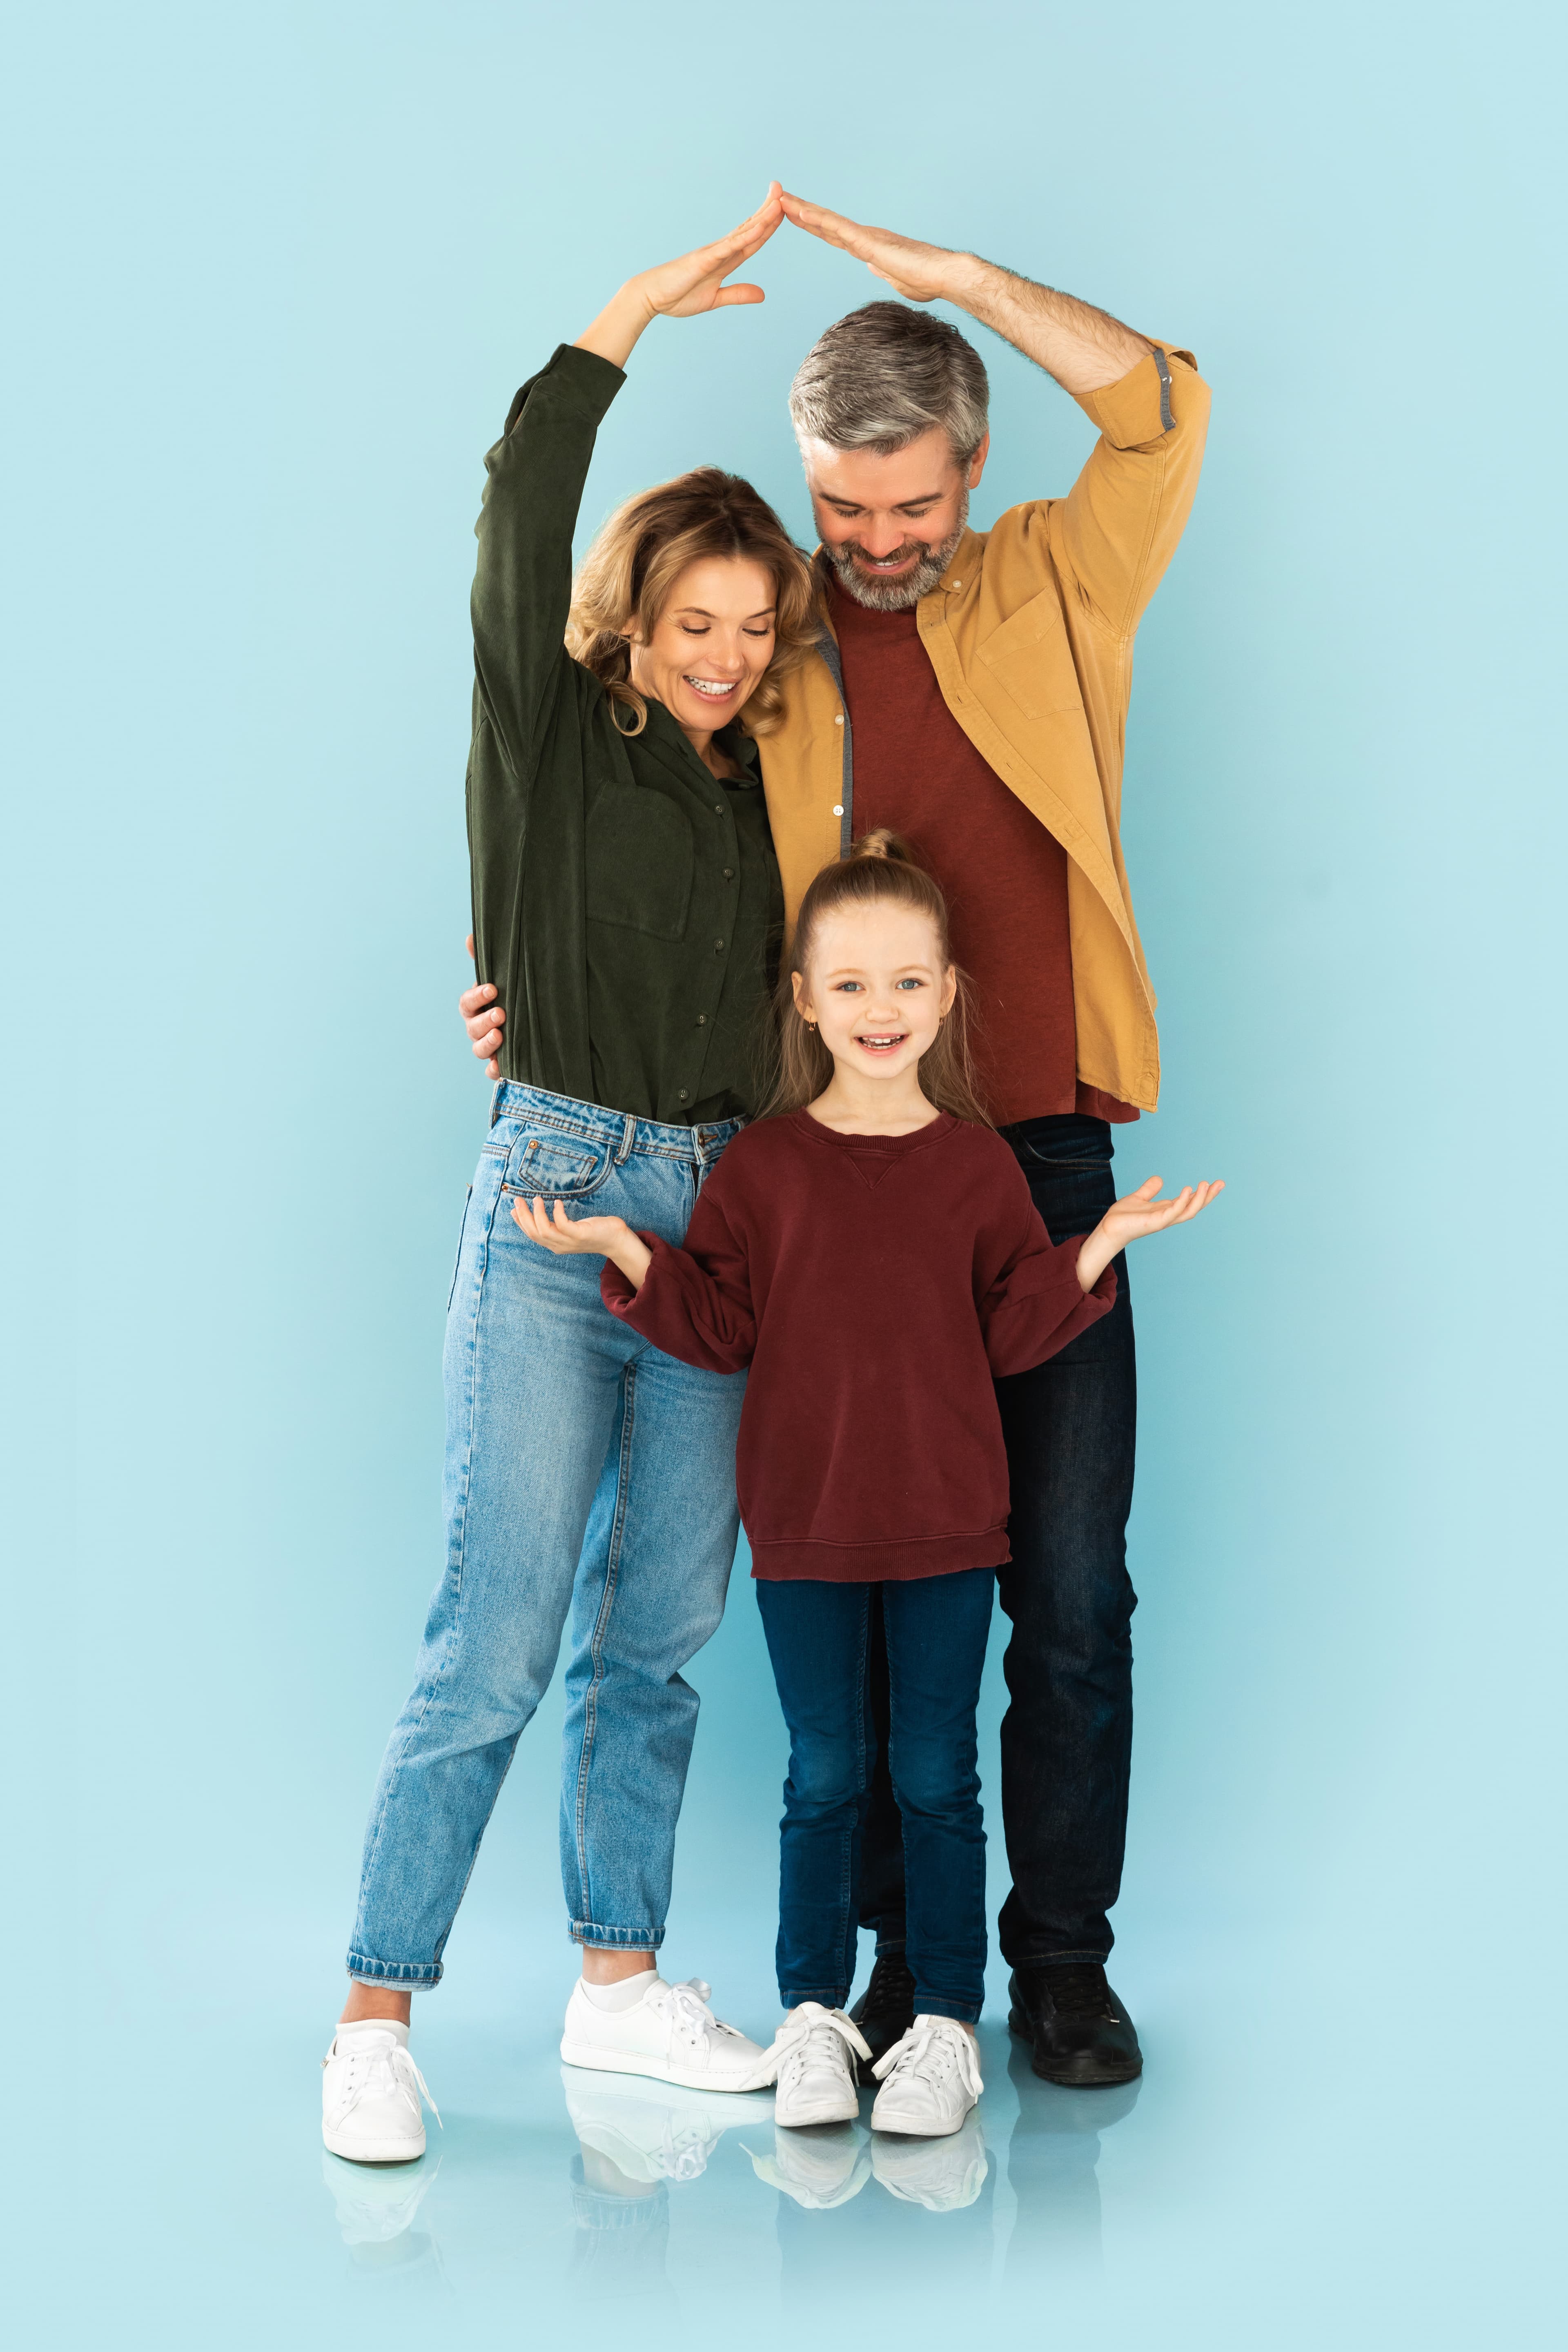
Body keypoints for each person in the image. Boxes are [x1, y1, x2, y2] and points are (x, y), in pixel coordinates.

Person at [461, 189, 1212, 2090]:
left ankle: (1058, 1966)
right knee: (874, 1568)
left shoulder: (1058, 577)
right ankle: (893, 1980)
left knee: (1066, 1586)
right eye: (845, 508)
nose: (876, 545)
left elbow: (1164, 411)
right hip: (827, 1176)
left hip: (1031, 1157)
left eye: (912, 504)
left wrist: (967, 280)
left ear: (971, 467)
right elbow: (629, 851)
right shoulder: (769, 645)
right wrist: (528, 1000)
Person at [321, 195, 820, 2167]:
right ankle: (376, 2009)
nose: (721, 656)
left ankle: (620, 1988)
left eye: (751, 631)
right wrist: (627, 317)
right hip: (551, 1199)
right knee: (497, 1627)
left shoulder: (757, 796)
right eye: (693, 622)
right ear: (633, 617)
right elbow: (520, 505)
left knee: (664, 1629)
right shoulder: (549, 733)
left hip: (722, 1215)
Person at [514, 835, 1221, 2139]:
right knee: (826, 1777)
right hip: (809, 1539)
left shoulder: (975, 1167)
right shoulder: (765, 1169)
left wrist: (1098, 1248)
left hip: (952, 1531)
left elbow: (1013, 1333)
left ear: (949, 994)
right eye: (850, 987)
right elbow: (721, 1326)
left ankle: (947, 2024)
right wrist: (623, 1242)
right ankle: (814, 2025)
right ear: (804, 999)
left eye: (906, 984)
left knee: (938, 1775)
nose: (879, 1012)